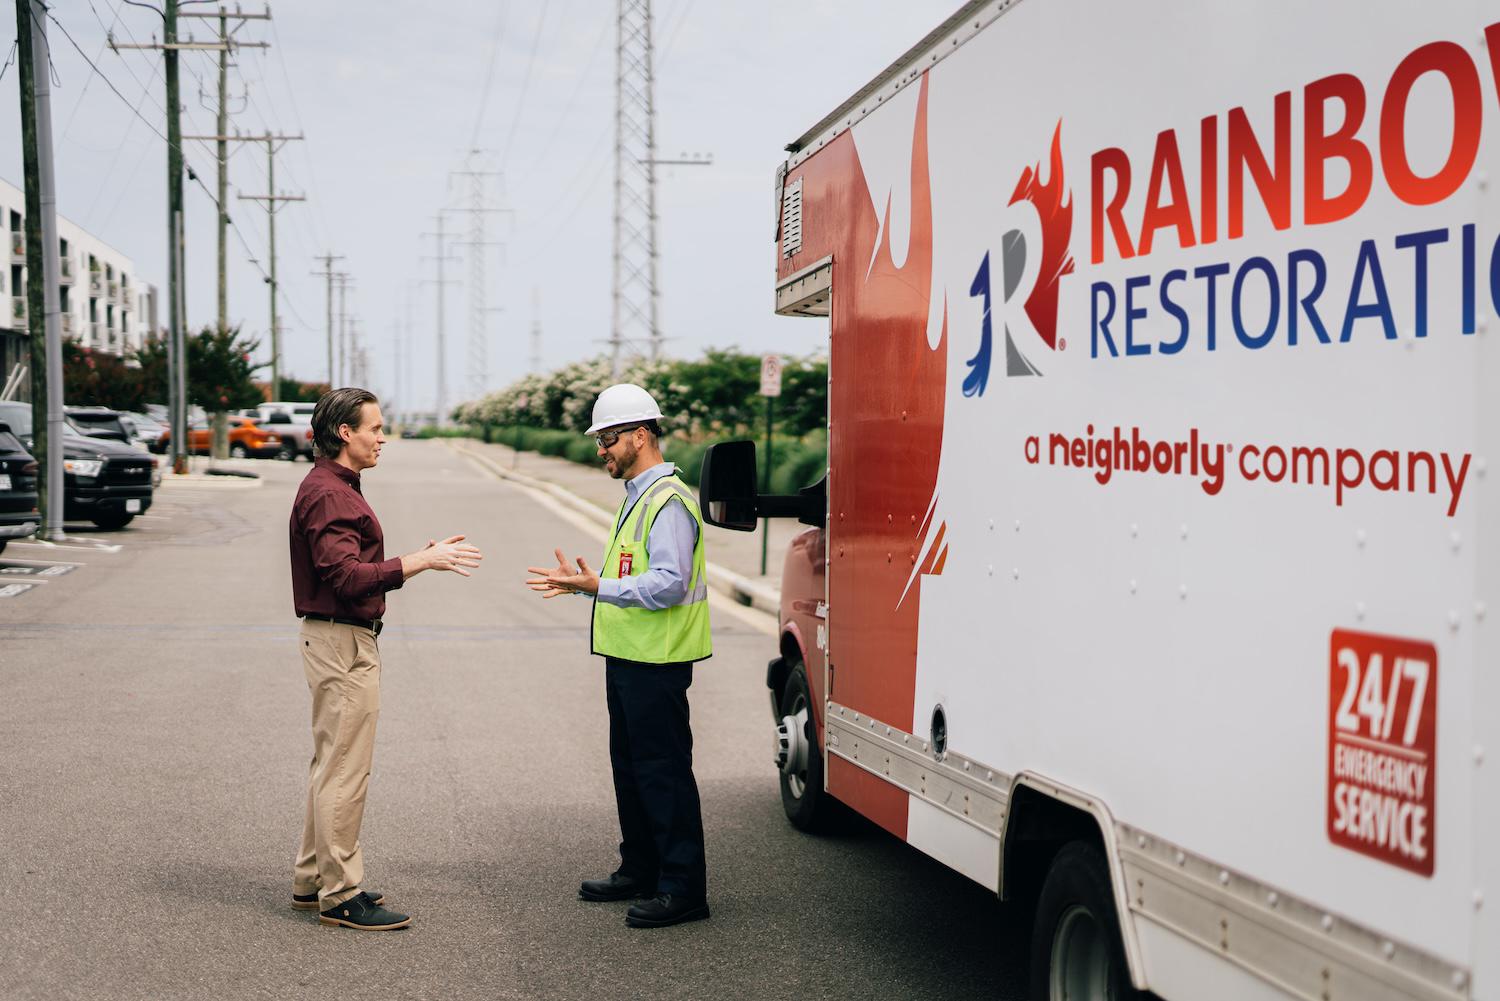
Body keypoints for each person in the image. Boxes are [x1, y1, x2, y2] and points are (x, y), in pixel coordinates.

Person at [289, 387, 483, 931]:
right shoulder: (331, 493)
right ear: (344, 433)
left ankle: (313, 880)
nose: (383, 438)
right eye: (374, 428)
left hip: (336, 638)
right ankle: (341, 895)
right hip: (342, 642)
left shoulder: (336, 486)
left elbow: (349, 567)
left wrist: (417, 559)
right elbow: (345, 577)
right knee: (346, 771)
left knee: (331, 766)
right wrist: (421, 560)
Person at [526, 383, 713, 929]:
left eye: (607, 438)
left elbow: (670, 584)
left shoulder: (668, 502)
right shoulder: (638, 497)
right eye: (599, 440)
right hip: (629, 659)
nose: (600, 449)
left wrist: (595, 586)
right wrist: (592, 586)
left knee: (663, 774)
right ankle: (641, 868)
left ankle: (683, 889)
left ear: (640, 435)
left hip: (657, 662)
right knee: (631, 770)